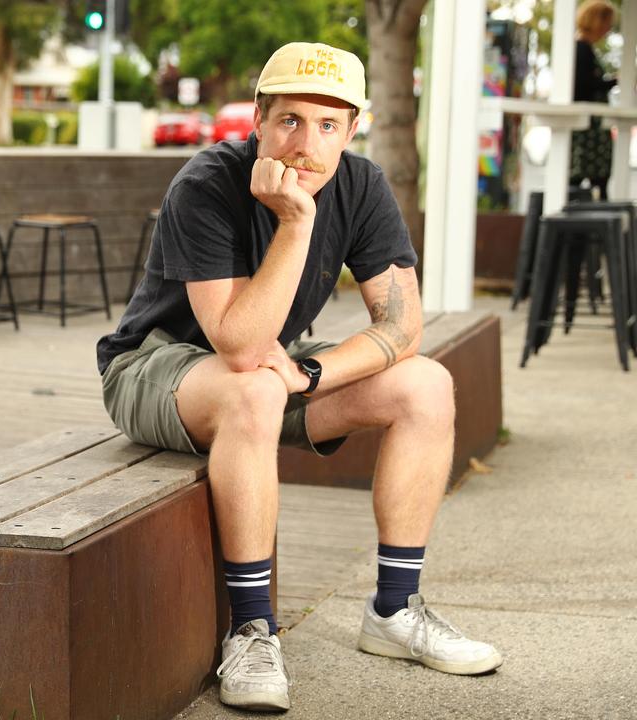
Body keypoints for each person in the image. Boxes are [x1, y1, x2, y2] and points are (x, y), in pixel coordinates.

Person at [95, 42, 502, 712]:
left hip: (265, 371)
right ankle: (253, 631)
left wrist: (311, 373)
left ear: (352, 128)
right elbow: (238, 345)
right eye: (289, 120)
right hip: (155, 365)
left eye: (327, 125)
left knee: (425, 383)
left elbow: (402, 327)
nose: (305, 145)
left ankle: (395, 613)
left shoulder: (364, 185)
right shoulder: (206, 183)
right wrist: (296, 223)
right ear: (257, 118)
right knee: (254, 384)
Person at [571, 0, 617, 199]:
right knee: (590, 179)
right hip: (588, 130)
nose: (608, 30)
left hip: (591, 129)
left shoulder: (585, 49)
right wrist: (612, 82)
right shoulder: (581, 49)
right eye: (607, 24)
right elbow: (583, 86)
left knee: (595, 181)